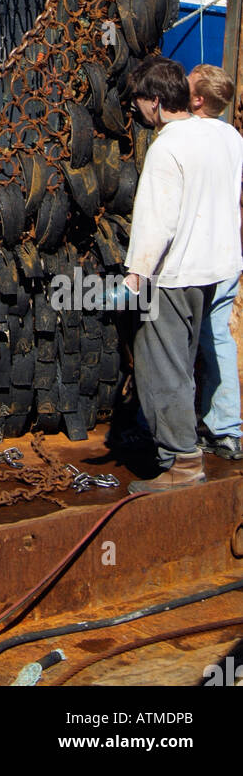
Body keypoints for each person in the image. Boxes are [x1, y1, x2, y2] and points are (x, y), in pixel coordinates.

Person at [122, 56, 243, 494]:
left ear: (155, 102)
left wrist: (134, 279)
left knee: (162, 367)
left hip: (174, 276)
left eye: (139, 104)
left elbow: (157, 224)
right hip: (215, 269)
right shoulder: (222, 136)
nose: (136, 112)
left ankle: (181, 463)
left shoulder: (166, 148)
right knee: (188, 360)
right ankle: (209, 433)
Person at [187, 64, 243, 460]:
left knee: (183, 340)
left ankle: (192, 427)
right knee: (218, 336)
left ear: (197, 99)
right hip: (229, 255)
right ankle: (226, 426)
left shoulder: (186, 135)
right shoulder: (233, 137)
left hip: (198, 258)